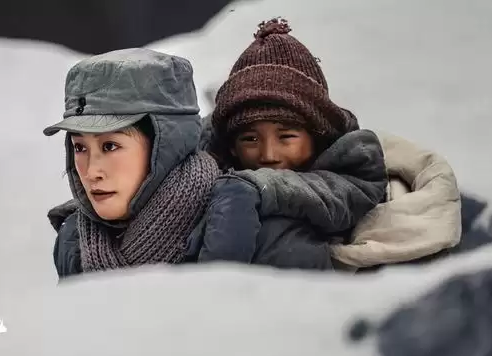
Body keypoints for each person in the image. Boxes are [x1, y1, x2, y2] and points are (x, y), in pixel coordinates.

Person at [198, 18, 462, 271]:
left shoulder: (353, 166)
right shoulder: (204, 171)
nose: (269, 155)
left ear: (318, 135)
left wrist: (253, 188)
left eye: (286, 137)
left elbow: (341, 197)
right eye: (250, 139)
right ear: (231, 146)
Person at [45, 48, 222, 279]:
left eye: (110, 146)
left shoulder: (232, 225)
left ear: (166, 146)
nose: (91, 172)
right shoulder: (73, 239)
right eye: (79, 148)